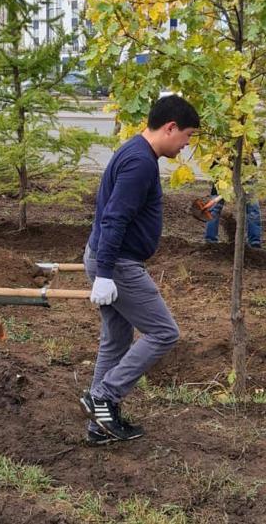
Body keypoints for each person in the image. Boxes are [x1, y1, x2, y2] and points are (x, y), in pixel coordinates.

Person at [80, 95, 200, 445]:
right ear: (170, 127)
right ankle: (104, 396)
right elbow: (114, 217)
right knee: (164, 332)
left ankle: (99, 424)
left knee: (116, 339)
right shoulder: (140, 163)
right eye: (187, 136)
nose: (187, 144)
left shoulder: (135, 150)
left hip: (109, 258)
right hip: (117, 263)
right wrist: (104, 273)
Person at [203, 137, 266, 247]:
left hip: (247, 171)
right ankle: (210, 242)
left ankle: (254, 243)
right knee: (214, 208)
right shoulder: (221, 128)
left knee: (252, 208)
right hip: (222, 170)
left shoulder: (246, 125)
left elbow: (262, 142)